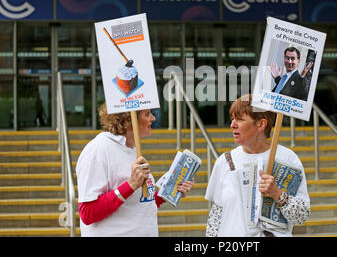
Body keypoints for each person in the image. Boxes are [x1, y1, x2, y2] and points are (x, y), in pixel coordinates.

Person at [76, 103, 194, 237]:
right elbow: (87, 213)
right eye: (147, 114)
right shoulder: (98, 149)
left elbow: (138, 204)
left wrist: (167, 192)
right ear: (128, 120)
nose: (153, 118)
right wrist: (131, 185)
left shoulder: (132, 149)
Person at [205, 94, 310, 237]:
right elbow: (215, 217)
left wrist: (277, 194)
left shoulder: (288, 159)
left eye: (240, 119)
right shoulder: (224, 162)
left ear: (261, 124)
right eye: (232, 119)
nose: (232, 125)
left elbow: (301, 216)